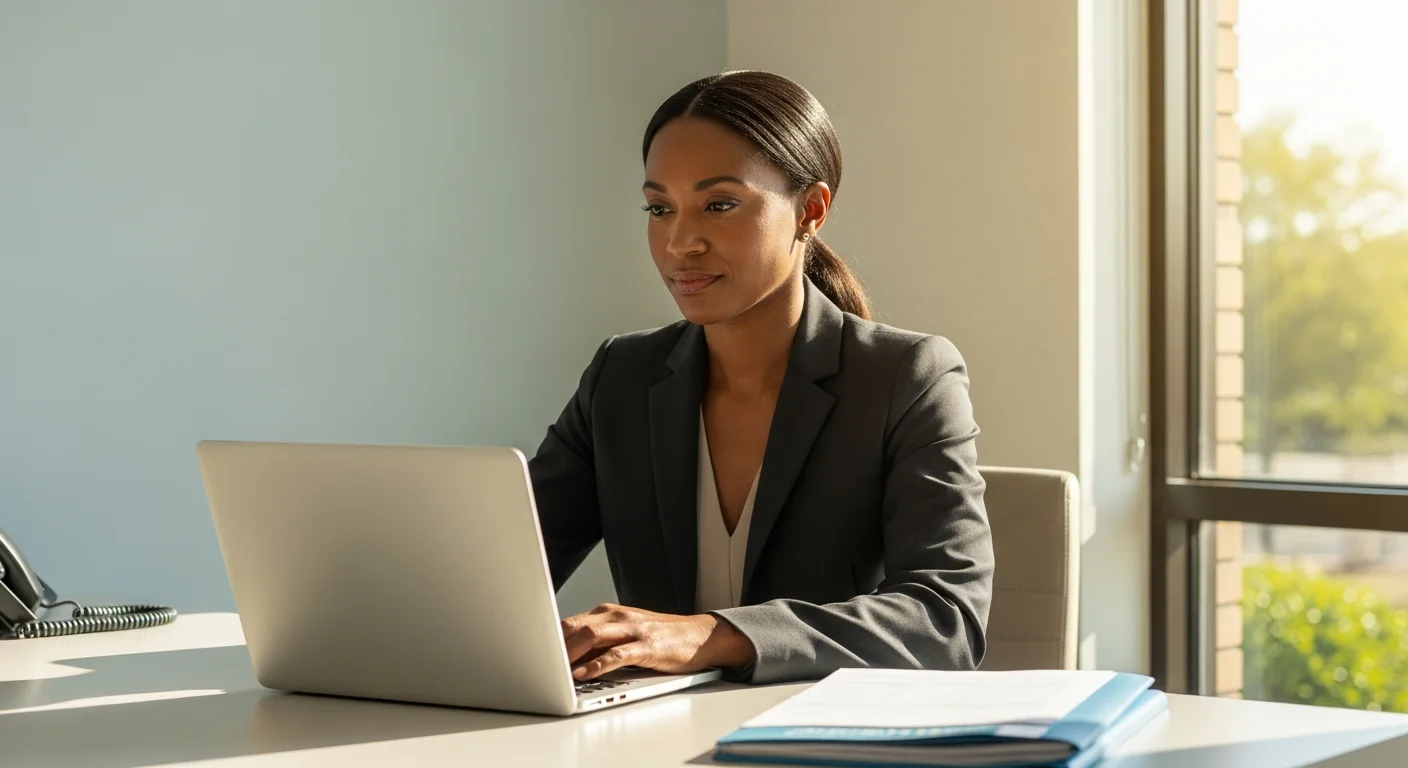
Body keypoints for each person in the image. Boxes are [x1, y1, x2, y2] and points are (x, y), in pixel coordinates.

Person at [527, 70, 993, 686]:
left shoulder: (907, 378)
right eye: (659, 208)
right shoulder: (622, 377)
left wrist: (710, 634)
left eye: (719, 205)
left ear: (811, 210)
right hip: (650, 737)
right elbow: (503, 578)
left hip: (819, 741)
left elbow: (946, 619)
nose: (679, 243)